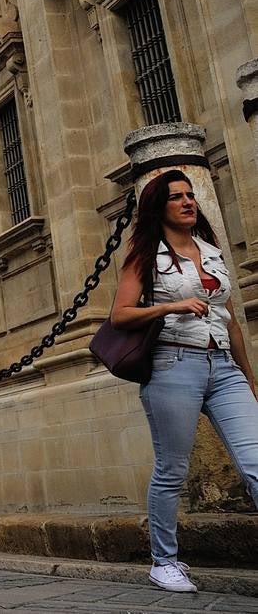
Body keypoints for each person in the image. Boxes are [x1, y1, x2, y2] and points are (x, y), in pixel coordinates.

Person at [109, 169, 258, 593]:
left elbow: (229, 324)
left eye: (191, 195)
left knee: (256, 464)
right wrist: (168, 307)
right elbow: (120, 315)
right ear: (160, 205)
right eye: (177, 197)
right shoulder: (144, 255)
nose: (188, 201)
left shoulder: (212, 252)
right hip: (173, 366)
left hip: (224, 368)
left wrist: (248, 379)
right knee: (172, 469)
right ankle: (164, 561)